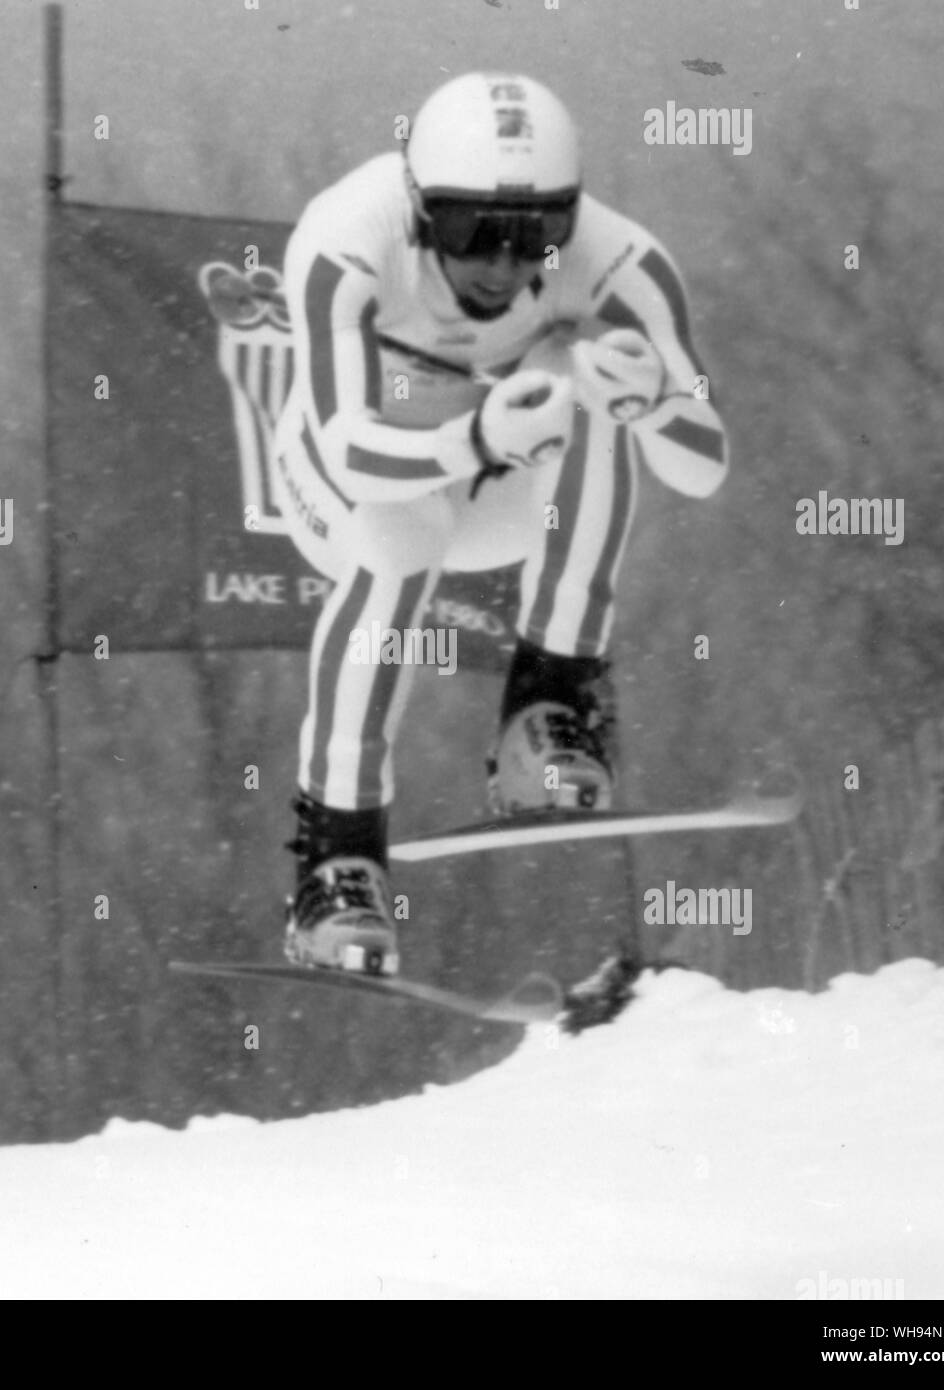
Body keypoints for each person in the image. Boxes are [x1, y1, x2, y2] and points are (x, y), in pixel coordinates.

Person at [272, 72, 728, 976]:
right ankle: (337, 858)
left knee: (595, 369)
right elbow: (349, 447)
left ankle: (547, 701)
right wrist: (473, 433)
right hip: (352, 473)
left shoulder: (623, 259)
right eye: (467, 231)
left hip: (507, 476)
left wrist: (649, 406)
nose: (502, 264)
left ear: (571, 217)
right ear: (416, 211)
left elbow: (703, 463)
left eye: (536, 235)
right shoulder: (344, 239)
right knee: (401, 542)